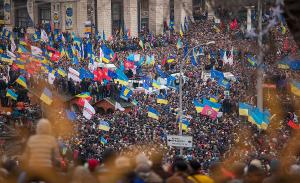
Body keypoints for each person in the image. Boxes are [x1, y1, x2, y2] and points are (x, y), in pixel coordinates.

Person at [21, 118, 60, 183]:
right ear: (49, 128)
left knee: (21, 177)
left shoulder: (31, 139)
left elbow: (25, 156)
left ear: (37, 127)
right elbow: (57, 157)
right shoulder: (52, 140)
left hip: (32, 170)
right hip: (47, 171)